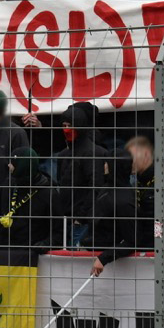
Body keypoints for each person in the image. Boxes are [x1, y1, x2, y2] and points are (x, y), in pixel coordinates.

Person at [54, 101, 107, 248]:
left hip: (83, 221)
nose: (66, 130)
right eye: (64, 126)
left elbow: (96, 187)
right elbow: (62, 184)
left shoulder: (93, 153)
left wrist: (81, 217)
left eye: (70, 126)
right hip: (67, 220)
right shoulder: (63, 155)